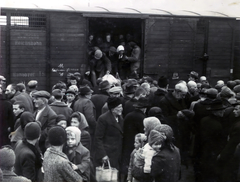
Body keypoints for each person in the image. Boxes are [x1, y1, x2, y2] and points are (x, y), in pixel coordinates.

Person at [94, 97, 123, 171]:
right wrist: (103, 155)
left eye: (121, 106)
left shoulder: (120, 118)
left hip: (118, 152)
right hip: (108, 153)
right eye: (119, 107)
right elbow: (98, 138)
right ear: (113, 109)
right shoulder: (103, 119)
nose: (121, 109)